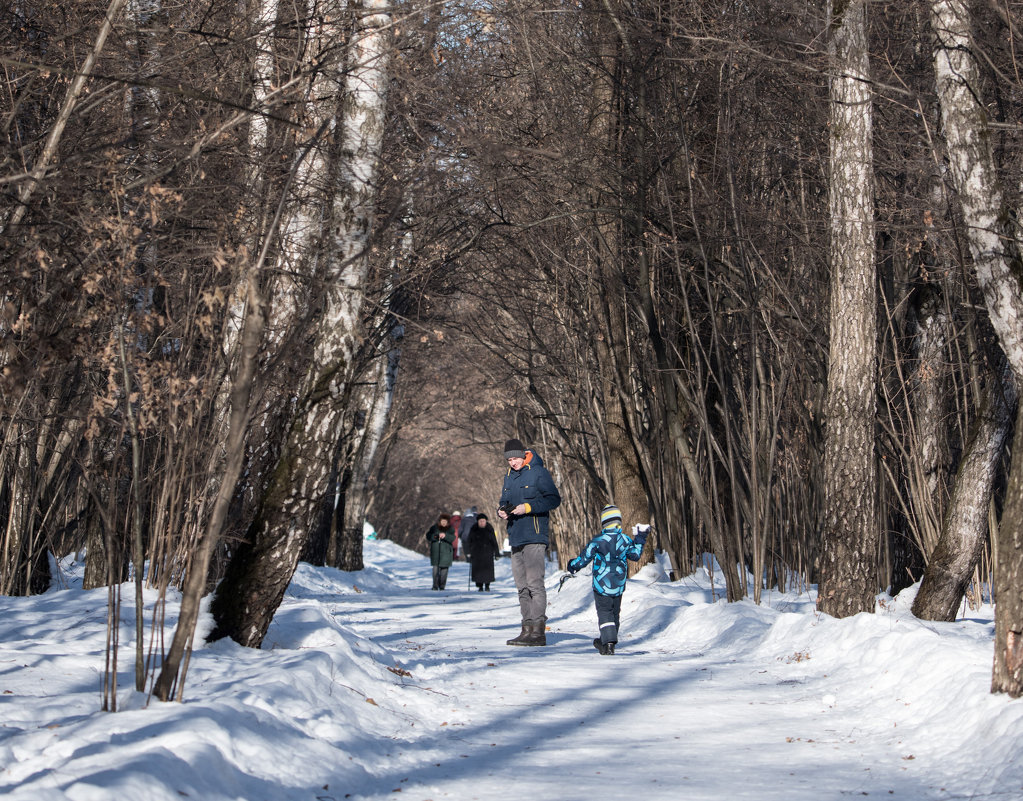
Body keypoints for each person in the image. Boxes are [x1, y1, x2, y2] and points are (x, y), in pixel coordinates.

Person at [497, 437, 561, 646]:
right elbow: (504, 501)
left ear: (524, 454)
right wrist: (501, 511)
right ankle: (526, 629)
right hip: (516, 536)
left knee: (535, 584)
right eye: (509, 460)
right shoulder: (509, 476)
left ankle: (538, 632)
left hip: (534, 535)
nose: (513, 462)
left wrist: (528, 507)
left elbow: (553, 499)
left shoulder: (538, 472)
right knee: (521, 586)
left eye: (515, 458)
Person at [567, 504, 650, 655]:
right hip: (618, 584)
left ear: (604, 522)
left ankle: (609, 643)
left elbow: (584, 559)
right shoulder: (625, 540)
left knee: (605, 612)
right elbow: (635, 555)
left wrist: (572, 565)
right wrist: (640, 537)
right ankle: (606, 643)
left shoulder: (598, 541)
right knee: (614, 613)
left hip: (601, 584)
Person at [467, 512, 500, 591]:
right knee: (478, 570)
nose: (482, 523)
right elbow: (469, 541)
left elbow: (494, 541)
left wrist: (497, 553)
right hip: (476, 553)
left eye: (483, 521)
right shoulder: (474, 529)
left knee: (487, 571)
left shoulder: (489, 529)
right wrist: (468, 552)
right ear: (478, 521)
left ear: (486, 521)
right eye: (480, 521)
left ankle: (487, 585)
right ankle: (480, 585)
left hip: (487, 553)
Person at [426, 512, 456, 590]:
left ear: (448, 522)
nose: (444, 523)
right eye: (442, 521)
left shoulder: (451, 529)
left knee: (444, 571)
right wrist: (435, 536)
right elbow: (428, 536)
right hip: (436, 552)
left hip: (446, 553)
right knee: (435, 570)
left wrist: (445, 536)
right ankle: (435, 586)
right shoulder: (434, 528)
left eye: (445, 521)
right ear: (440, 521)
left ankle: (442, 586)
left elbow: (453, 538)